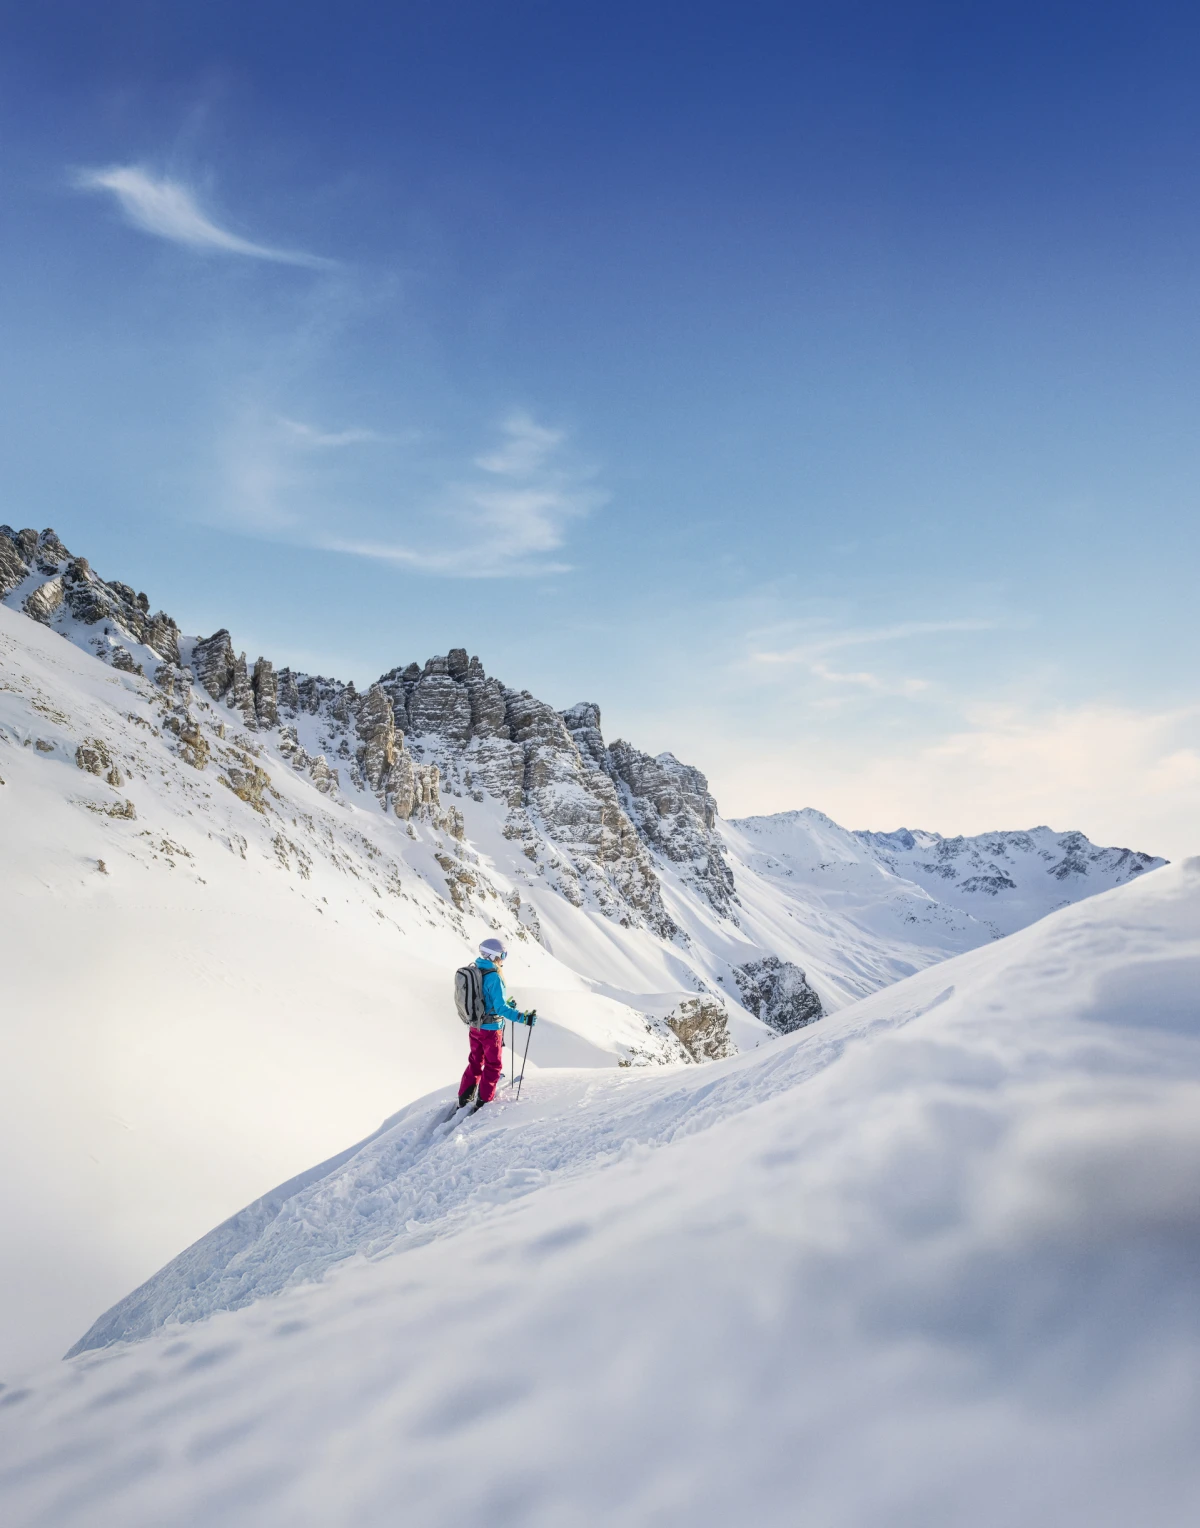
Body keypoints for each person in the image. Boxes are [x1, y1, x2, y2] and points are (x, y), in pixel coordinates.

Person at [458, 938, 536, 1111]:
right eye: (503, 955)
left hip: (475, 1026)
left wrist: (504, 1004)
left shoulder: (476, 969)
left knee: (475, 1061)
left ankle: (464, 1097)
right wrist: (523, 1018)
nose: (503, 959)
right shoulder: (494, 976)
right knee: (493, 1065)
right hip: (491, 1030)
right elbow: (500, 1009)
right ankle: (484, 1101)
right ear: (494, 956)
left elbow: (484, 999)